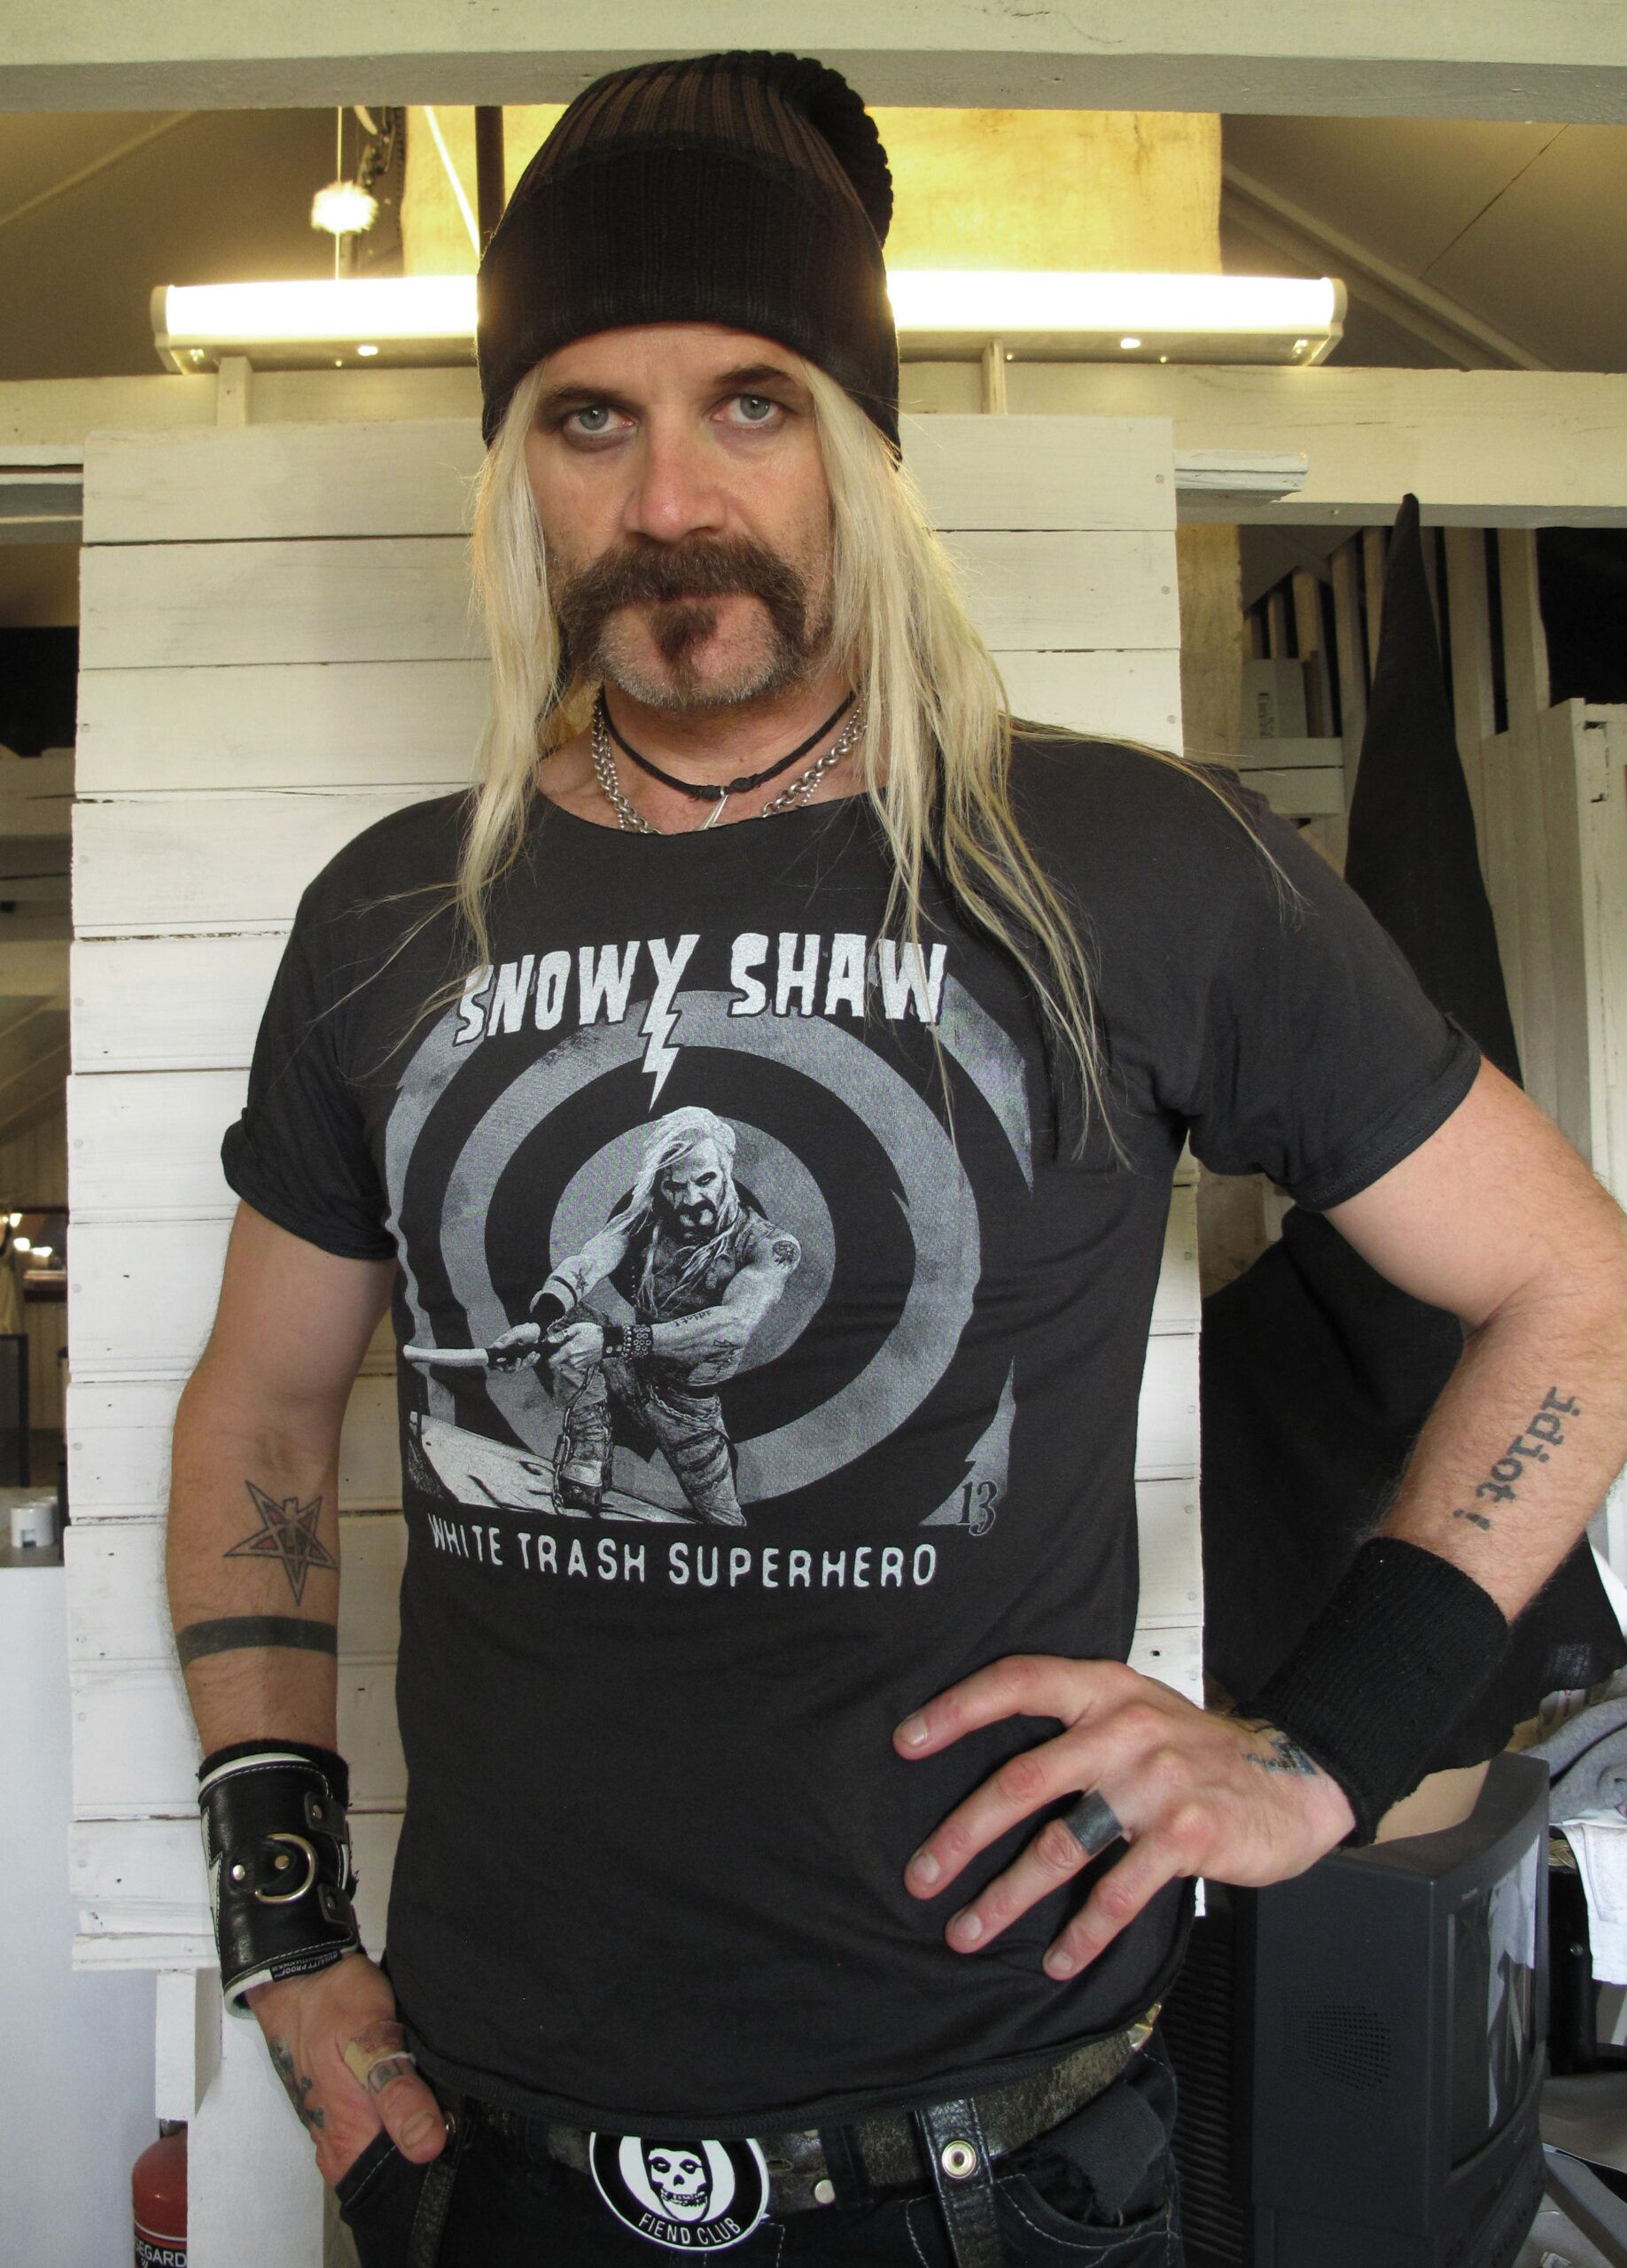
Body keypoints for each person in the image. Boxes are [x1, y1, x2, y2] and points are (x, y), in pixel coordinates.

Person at [164, 51, 1627, 2268]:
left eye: (751, 402)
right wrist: (284, 1933)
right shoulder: (389, 912)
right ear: (514, 469)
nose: (673, 498)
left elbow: (1573, 1287)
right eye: (589, 416)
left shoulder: (1134, 863)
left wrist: (1324, 1750)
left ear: (860, 441)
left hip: (996, 2170)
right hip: (487, 2154)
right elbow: (265, 1405)